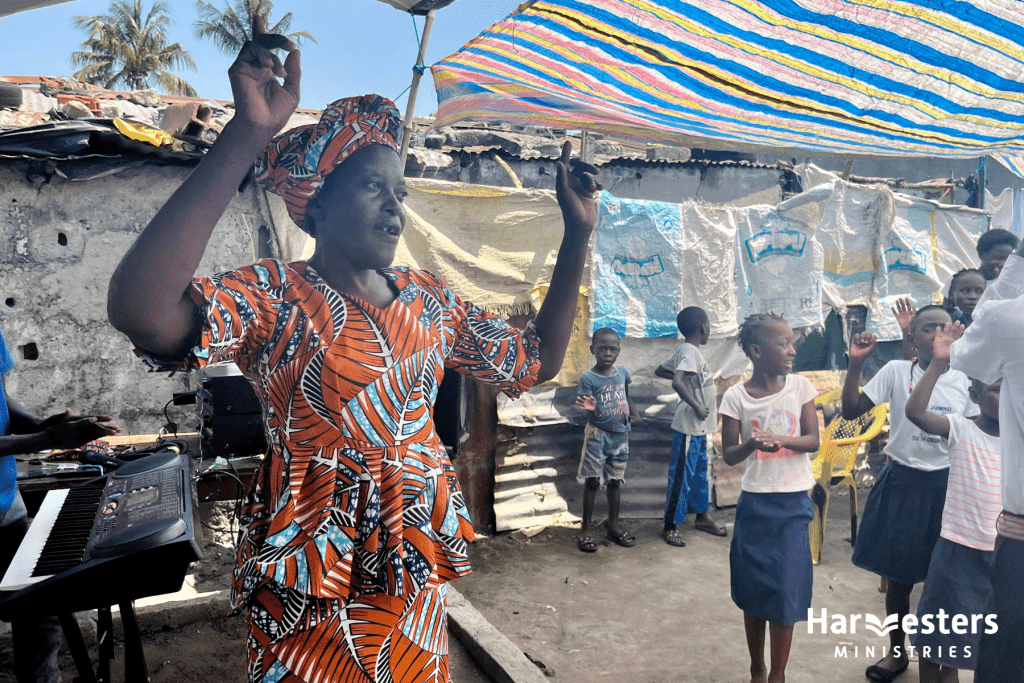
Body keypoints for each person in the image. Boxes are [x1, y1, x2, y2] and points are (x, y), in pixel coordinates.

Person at [105, 25, 600, 683]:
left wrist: (578, 235)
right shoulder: (275, 294)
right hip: (308, 585)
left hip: (408, 580)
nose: (396, 208)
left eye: (400, 192)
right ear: (319, 200)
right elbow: (142, 312)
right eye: (374, 187)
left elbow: (531, 361)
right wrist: (246, 135)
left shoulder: (430, 300)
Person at [842, 306, 977, 683]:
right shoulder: (896, 372)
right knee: (899, 580)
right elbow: (851, 411)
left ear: (956, 334)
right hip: (902, 484)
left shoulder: (967, 381)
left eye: (943, 327)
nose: (936, 334)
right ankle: (897, 652)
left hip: (948, 486)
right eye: (926, 329)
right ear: (912, 340)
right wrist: (855, 365)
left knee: (946, 582)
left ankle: (941, 660)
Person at [0, 325, 118, 683]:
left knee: (39, 611)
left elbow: (1, 400)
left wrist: (40, 424)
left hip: (6, 504)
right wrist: (44, 438)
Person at [719, 314, 819, 683]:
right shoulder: (735, 397)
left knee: (786, 591)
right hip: (755, 505)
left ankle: (777, 674)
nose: (792, 350)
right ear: (757, 351)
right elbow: (729, 454)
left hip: (793, 505)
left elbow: (813, 440)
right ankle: (756, 667)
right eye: (784, 344)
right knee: (753, 588)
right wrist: (750, 444)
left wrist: (781, 441)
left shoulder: (801, 387)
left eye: (792, 342)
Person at [905, 322, 1001, 682]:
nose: (1004, 399)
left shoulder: (1019, 440)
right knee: (936, 638)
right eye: (994, 391)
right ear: (974, 395)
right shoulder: (962, 428)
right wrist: (937, 365)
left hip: (1001, 554)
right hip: (957, 551)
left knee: (985, 641)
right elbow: (915, 414)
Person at [948, 240, 1024, 682]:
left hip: (1020, 538)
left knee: (1006, 665)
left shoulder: (1008, 318)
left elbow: (966, 354)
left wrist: (1016, 266)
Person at [654, 306, 725, 547]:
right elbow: (676, 381)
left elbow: (661, 370)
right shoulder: (690, 352)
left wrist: (691, 384)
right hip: (689, 425)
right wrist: (695, 404)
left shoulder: (688, 352)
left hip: (699, 429)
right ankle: (670, 526)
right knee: (681, 476)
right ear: (704, 328)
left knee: (698, 476)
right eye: (709, 326)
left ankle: (702, 517)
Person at [574, 327, 641, 552]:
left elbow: (627, 395)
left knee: (615, 481)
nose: (607, 353)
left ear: (619, 351)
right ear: (593, 349)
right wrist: (589, 409)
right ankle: (585, 528)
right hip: (597, 436)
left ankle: (613, 526)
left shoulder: (622, 373)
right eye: (602, 348)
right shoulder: (588, 378)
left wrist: (636, 414)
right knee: (592, 481)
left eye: (612, 349)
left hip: (621, 436)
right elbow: (586, 408)